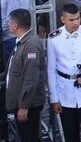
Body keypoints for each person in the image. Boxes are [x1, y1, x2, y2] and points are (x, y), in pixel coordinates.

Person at [47, 4, 81, 142]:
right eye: (71, 20)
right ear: (62, 19)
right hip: (65, 93)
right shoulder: (54, 38)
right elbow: (51, 70)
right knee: (70, 134)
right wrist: (54, 99)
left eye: (78, 18)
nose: (76, 22)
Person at [4, 9, 47, 142]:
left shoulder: (31, 44)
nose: (8, 25)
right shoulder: (24, 41)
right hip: (23, 103)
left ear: (15, 25)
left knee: (30, 137)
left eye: (9, 22)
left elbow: (30, 77)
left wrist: (24, 106)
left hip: (29, 105)